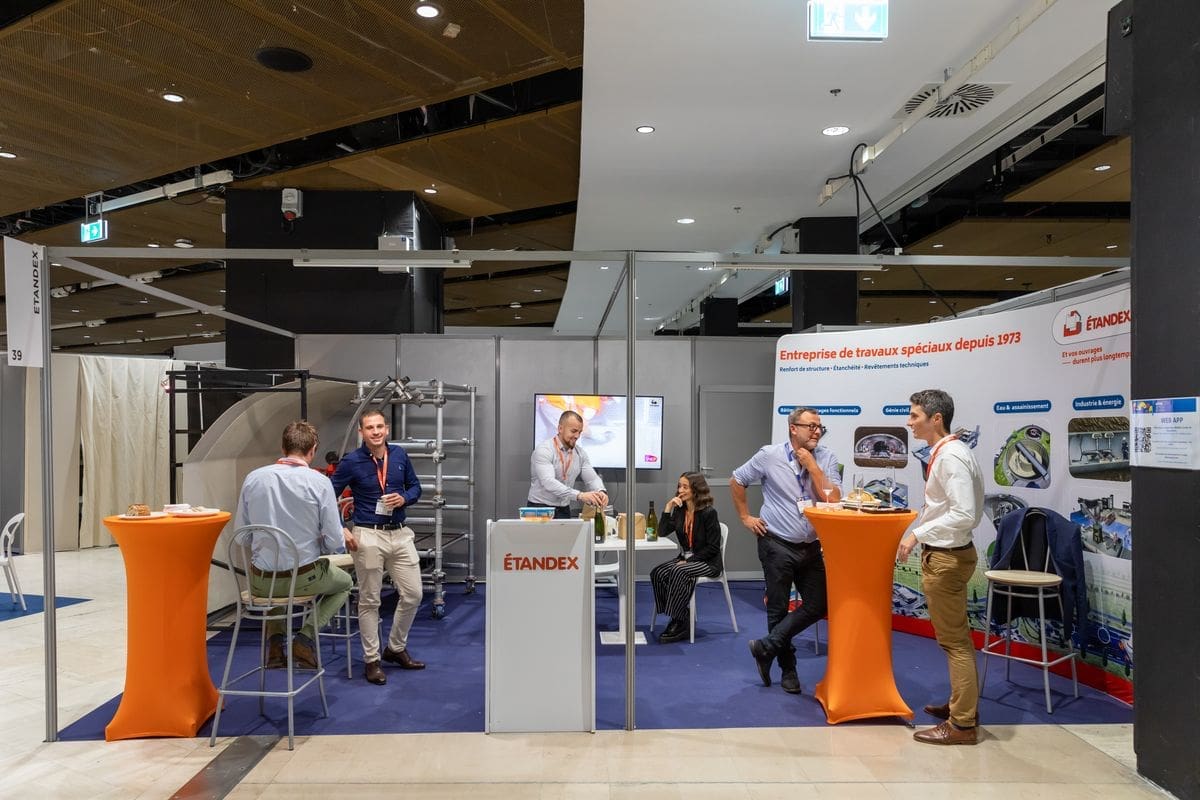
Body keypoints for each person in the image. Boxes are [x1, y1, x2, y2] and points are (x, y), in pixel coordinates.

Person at [896, 389, 985, 746]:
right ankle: (961, 706)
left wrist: (917, 534)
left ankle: (962, 724)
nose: (909, 422)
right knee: (956, 640)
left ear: (936, 419)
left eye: (914, 415)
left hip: (947, 557)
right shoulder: (951, 452)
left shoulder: (951, 457)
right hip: (949, 553)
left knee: (955, 643)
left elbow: (963, 513)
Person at [732, 407, 842, 694]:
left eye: (820, 427)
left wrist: (813, 467)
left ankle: (766, 647)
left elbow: (834, 499)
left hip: (811, 545)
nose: (817, 432)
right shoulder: (769, 455)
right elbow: (737, 479)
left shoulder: (827, 458)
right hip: (776, 542)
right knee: (778, 608)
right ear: (794, 428)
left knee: (819, 604)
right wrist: (745, 517)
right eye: (811, 426)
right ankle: (788, 670)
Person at [235, 420, 353, 670]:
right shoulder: (319, 482)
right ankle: (305, 639)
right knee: (345, 583)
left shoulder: (253, 478)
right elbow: (335, 542)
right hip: (303, 579)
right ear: (313, 450)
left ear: (283, 447)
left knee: (276, 582)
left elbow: (242, 537)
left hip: (260, 582)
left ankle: (276, 645)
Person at [331, 409, 425, 686]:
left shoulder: (399, 455)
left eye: (380, 426)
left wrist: (404, 498)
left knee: (414, 594)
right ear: (361, 432)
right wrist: (340, 527)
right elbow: (327, 496)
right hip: (368, 535)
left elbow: (416, 487)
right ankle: (371, 660)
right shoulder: (351, 462)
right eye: (370, 428)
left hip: (399, 533)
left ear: (387, 429)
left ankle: (395, 648)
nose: (376, 432)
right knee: (370, 600)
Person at [650, 472, 723, 643]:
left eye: (685, 487)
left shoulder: (708, 513)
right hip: (686, 558)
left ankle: (678, 620)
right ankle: (682, 615)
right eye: (679, 486)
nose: (680, 490)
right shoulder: (680, 510)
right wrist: (668, 507)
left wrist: (688, 561)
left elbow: (713, 548)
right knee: (657, 573)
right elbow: (662, 532)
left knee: (679, 571)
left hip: (708, 562)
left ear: (696, 489)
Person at [528, 410, 608, 518]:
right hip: (540, 508)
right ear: (560, 428)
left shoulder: (580, 453)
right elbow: (548, 482)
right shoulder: (544, 450)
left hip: (564, 509)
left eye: (579, 432)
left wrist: (601, 491)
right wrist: (579, 495)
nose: (577, 436)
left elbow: (592, 479)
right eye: (573, 431)